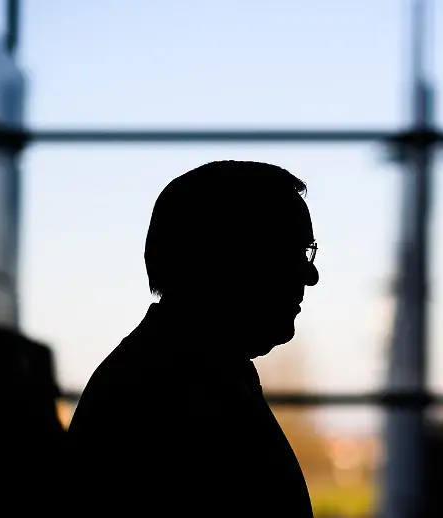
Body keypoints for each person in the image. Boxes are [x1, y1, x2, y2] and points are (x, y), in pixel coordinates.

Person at [68, 161, 320, 517]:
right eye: (291, 252)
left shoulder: (173, 373)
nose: (310, 275)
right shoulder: (169, 397)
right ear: (226, 256)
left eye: (307, 252)